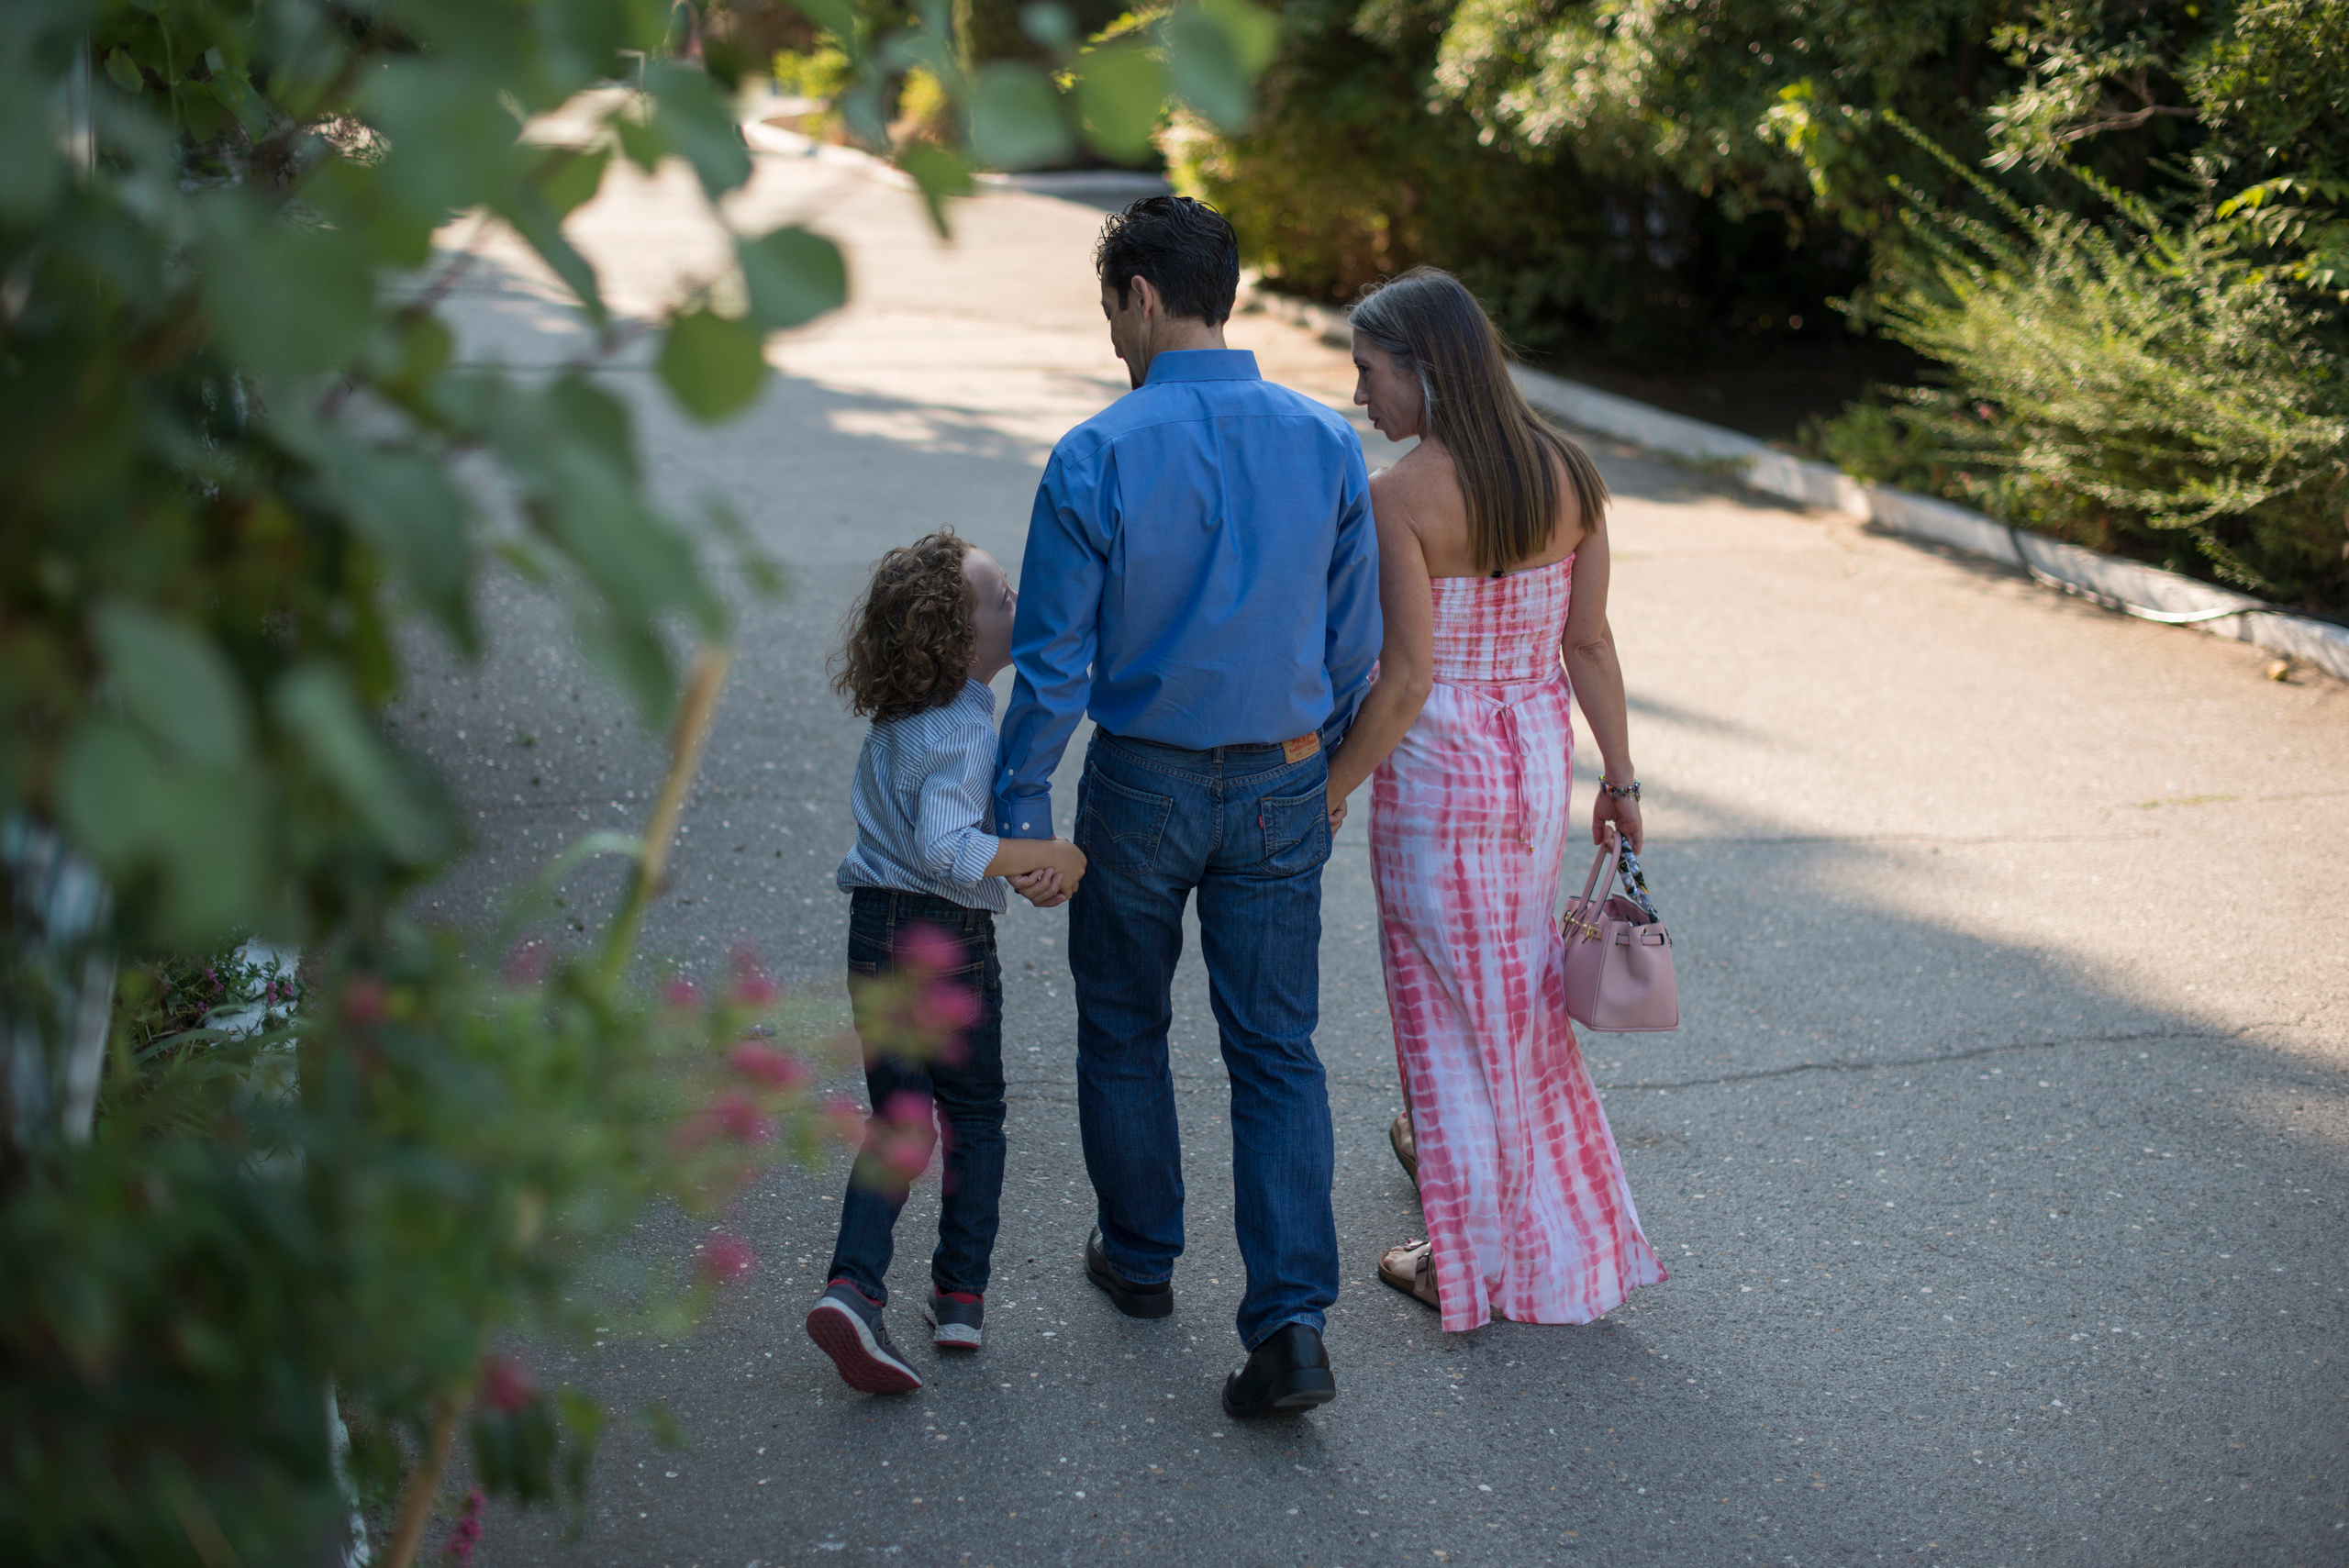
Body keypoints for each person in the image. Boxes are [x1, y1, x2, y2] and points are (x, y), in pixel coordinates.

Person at [992, 196, 1382, 1418]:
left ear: (1144, 297)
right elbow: (1355, 639)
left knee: (1122, 1026)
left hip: (1143, 782)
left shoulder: (1096, 454)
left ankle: (1143, 1258)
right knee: (1275, 1048)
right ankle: (1291, 1326)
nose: (1114, 338)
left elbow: (1052, 669)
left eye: (1114, 310)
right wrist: (1314, 767)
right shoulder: (1325, 443)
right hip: (1280, 775)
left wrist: (1017, 811)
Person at [1319, 267, 1667, 1333]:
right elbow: (1590, 641)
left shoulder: (1402, 497)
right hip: (1531, 771)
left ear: (1424, 368)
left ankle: (1464, 1257)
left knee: (1445, 1012)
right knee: (1513, 1004)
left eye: (1369, 372)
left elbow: (1409, 679)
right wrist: (1619, 777)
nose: (1358, 397)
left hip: (1437, 776)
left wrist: (1328, 791)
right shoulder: (1569, 472)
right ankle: (1540, 1229)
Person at [806, 531, 1088, 1395]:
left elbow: (950, 835)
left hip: (874, 931)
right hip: (942, 941)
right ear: (958, 641)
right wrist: (1052, 854)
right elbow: (952, 849)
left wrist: (1013, 856)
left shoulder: (901, 720)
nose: (1017, 605)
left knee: (899, 1118)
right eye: (1001, 598)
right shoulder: (963, 727)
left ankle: (853, 1286)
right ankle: (960, 1294)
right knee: (975, 1116)